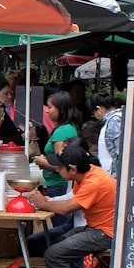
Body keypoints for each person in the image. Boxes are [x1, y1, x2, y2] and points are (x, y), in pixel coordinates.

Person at [25, 144, 116, 268]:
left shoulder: (94, 181)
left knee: (54, 254)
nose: (57, 170)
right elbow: (71, 200)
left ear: (72, 169)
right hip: (94, 227)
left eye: (59, 167)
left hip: (105, 233)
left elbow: (67, 208)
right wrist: (47, 201)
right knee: (45, 243)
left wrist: (43, 204)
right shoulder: (85, 175)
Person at [32, 90, 80, 234]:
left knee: (61, 228)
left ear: (61, 109)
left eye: (50, 107)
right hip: (59, 184)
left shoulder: (62, 132)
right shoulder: (69, 128)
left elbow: (61, 164)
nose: (47, 111)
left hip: (58, 185)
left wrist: (41, 160)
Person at [89, 93, 123, 176]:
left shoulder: (114, 121)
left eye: (94, 113)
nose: (96, 117)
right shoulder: (117, 118)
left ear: (99, 109)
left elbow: (120, 152)